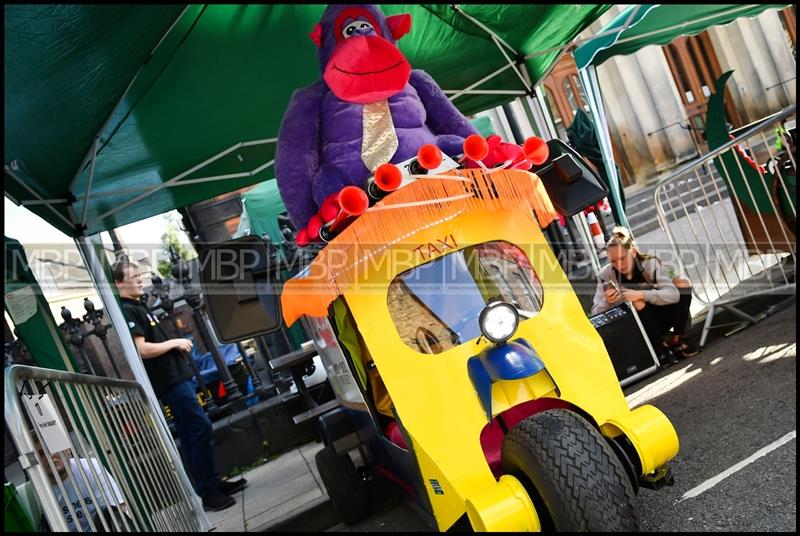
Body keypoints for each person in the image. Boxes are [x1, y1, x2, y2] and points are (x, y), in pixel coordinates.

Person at [112, 260, 246, 512]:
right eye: (133, 276)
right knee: (199, 427)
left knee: (190, 432)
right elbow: (141, 349)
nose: (140, 279)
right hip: (169, 383)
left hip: (177, 378)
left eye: (140, 274)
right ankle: (208, 491)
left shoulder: (139, 307)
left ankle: (212, 484)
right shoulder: (128, 311)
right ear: (118, 283)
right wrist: (175, 343)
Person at [591, 227, 700, 362]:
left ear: (634, 252)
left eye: (623, 258)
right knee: (637, 302)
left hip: (664, 313)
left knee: (683, 283)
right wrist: (607, 301)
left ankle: (680, 338)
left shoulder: (651, 263)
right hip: (637, 326)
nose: (619, 265)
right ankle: (660, 348)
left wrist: (641, 294)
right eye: (613, 261)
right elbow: (595, 313)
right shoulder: (606, 275)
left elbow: (674, 294)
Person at [34, 437, 130, 532]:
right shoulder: (37, 490)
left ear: (67, 449)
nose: (48, 457)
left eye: (52, 449)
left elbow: (119, 511)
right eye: (41, 453)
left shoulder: (90, 467)